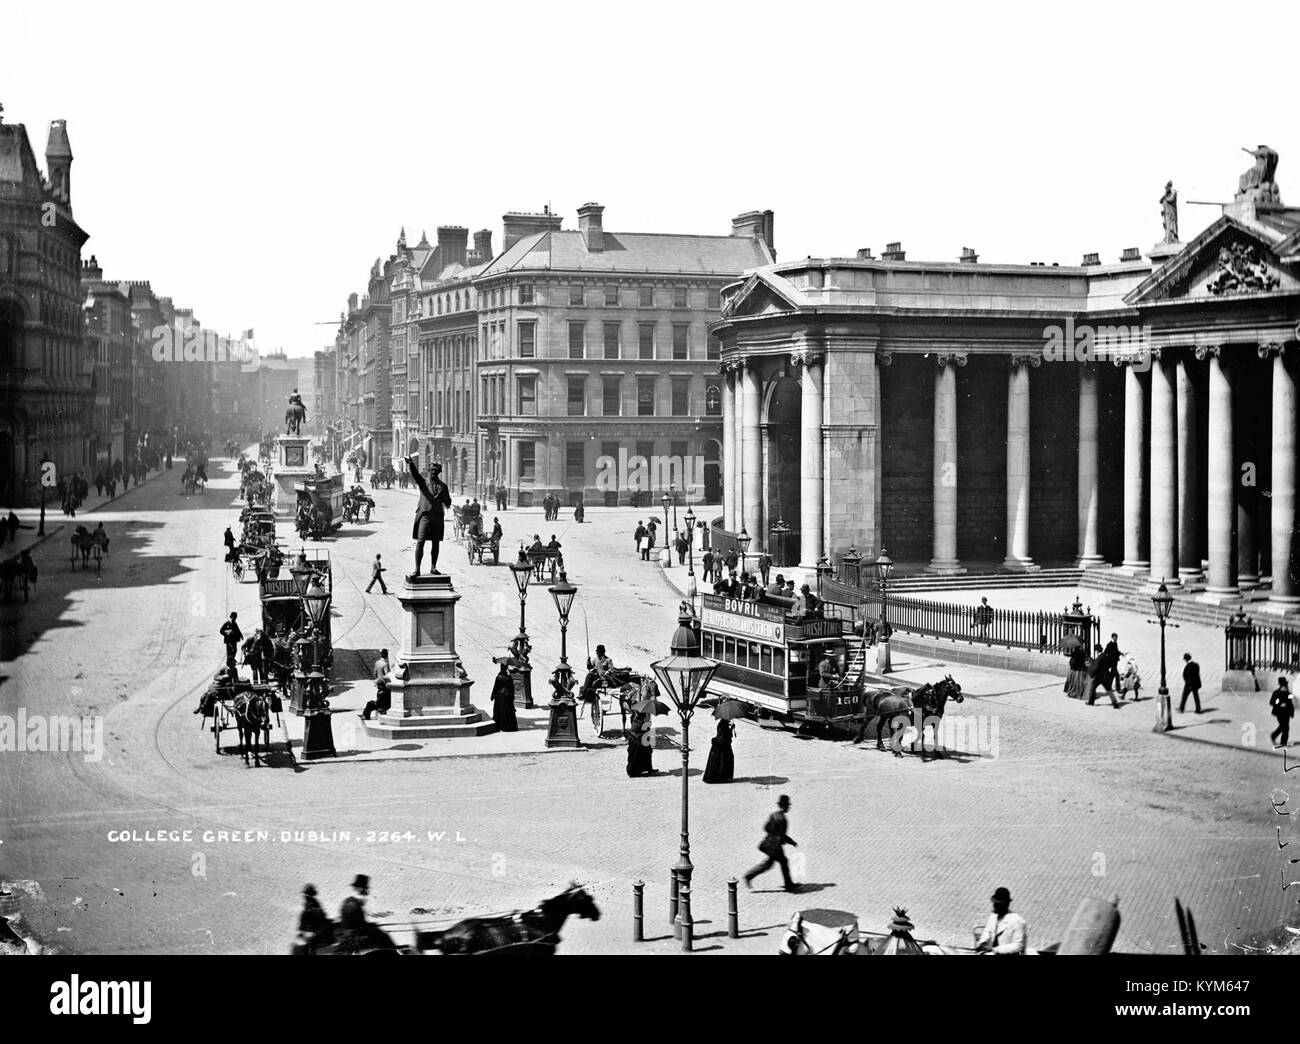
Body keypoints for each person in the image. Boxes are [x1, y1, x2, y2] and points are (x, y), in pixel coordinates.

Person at [406, 456, 452, 577]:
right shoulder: (423, 483)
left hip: (437, 517)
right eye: (432, 470)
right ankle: (417, 569)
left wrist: (442, 496)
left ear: (439, 472)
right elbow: (415, 475)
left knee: (436, 543)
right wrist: (411, 464)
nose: (433, 472)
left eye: (436, 471)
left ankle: (433, 567)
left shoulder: (443, 486)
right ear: (429, 470)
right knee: (420, 541)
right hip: (425, 515)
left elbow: (448, 503)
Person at [743, 795, 798, 892]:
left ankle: (788, 883)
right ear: (784, 806)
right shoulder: (783, 819)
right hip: (775, 847)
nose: (788, 808)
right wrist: (792, 842)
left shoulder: (773, 815)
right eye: (787, 806)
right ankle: (749, 876)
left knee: (777, 863)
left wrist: (773, 834)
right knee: (775, 863)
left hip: (768, 843)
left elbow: (766, 828)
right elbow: (782, 836)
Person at [974, 887, 1028, 955]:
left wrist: (995, 949)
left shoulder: (1017, 921)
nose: (994, 906)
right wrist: (983, 943)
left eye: (998, 904)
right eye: (994, 903)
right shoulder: (993, 917)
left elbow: (1018, 946)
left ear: (1005, 905)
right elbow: (987, 931)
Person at [1086, 642, 1119, 708]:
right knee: (1109, 690)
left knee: (1092, 688)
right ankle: (1115, 702)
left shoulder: (1099, 658)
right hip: (1106, 676)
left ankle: (1091, 702)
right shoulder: (1105, 656)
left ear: (1096, 651)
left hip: (1098, 677)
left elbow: (1095, 668)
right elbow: (1110, 664)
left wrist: (1092, 674)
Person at [702, 718, 735, 784]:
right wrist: (731, 729)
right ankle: (722, 777)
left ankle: (722, 777)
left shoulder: (722, 724)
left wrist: (731, 729)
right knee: (723, 761)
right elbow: (724, 736)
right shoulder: (723, 725)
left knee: (721, 761)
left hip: (721, 745)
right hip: (723, 746)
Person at [626, 709, 656, 777]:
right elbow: (647, 734)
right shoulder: (644, 724)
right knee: (648, 752)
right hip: (640, 744)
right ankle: (649, 769)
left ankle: (633, 771)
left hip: (633, 744)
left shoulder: (634, 721)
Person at [490, 663, 518, 732]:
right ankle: (507, 727)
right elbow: (512, 688)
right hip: (507, 696)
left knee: (499, 712)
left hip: (499, 696)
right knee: (507, 712)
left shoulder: (498, 677)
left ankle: (498, 726)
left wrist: (492, 695)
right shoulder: (509, 678)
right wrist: (512, 696)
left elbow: (495, 687)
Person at [1271, 677, 1295, 747]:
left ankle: (1283, 742)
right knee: (1283, 726)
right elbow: (1271, 702)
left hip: (1286, 713)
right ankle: (1274, 736)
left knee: (1286, 728)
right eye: (1283, 685)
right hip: (1279, 713)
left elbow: (1290, 703)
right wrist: (1279, 704)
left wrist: (1292, 712)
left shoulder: (1288, 693)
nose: (1285, 686)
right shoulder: (1276, 693)